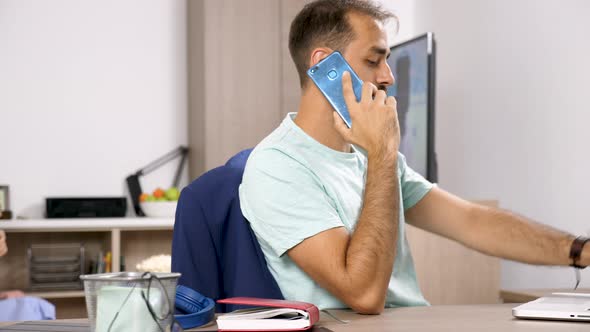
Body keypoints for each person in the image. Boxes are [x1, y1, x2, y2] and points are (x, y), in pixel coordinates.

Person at [239, 0, 589, 314]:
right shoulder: (277, 166)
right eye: (373, 60)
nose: (388, 76)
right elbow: (362, 293)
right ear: (324, 65)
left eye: (386, 62)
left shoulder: (366, 155)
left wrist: (578, 250)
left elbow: (470, 221)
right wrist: (382, 152)